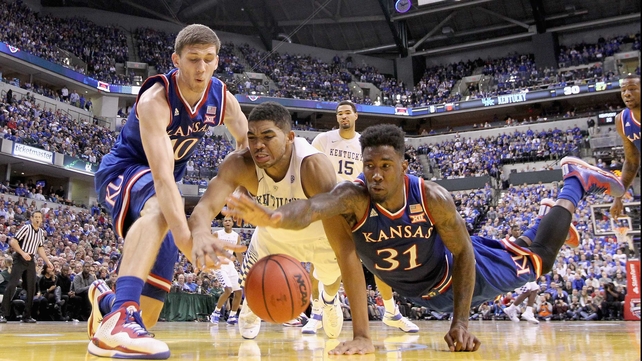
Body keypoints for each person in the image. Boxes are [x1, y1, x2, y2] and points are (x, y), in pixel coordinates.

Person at [224, 124, 625, 354]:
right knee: (521, 251)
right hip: (420, 291)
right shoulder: (354, 197)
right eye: (369, 166)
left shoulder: (432, 198)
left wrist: (461, 322)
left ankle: (575, 181)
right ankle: (548, 220)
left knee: (538, 261)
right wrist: (274, 216)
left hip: (456, 277)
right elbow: (313, 207)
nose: (375, 174)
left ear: (404, 165)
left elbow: (465, 254)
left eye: (385, 166)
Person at [88, 24, 248, 359]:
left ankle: (106, 303)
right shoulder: (155, 100)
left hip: (163, 186)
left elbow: (245, 146)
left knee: (148, 316)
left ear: (217, 60)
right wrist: (190, 241)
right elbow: (162, 179)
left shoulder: (223, 99)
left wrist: (244, 194)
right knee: (161, 208)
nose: (201, 67)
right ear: (176, 59)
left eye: (208, 59)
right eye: (193, 59)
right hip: (125, 171)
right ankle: (118, 317)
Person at [187, 102, 344, 340]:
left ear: (290, 137)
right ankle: (253, 303)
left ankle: (330, 301)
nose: (258, 145)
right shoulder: (241, 163)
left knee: (331, 281)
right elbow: (206, 206)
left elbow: (337, 224)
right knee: (254, 280)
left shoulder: (313, 165)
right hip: (272, 237)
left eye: (268, 137)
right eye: (252, 137)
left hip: (319, 237)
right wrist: (200, 232)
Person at [307, 100, 418, 334]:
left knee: (381, 261)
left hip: (360, 208)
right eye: (339, 113)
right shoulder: (323, 140)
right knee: (320, 261)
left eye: (347, 113)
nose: (343, 116)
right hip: (330, 206)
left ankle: (391, 312)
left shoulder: (364, 145)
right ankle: (317, 311)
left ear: (356, 116)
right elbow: (310, 169)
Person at [0, 211, 52, 323]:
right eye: (36, 217)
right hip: (19, 258)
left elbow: (40, 248)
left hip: (31, 259)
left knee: (31, 287)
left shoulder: (41, 232)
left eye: (39, 217)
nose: (38, 219)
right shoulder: (26, 228)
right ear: (31, 218)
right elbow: (13, 241)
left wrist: (47, 261)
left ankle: (26, 315)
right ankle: (2, 314)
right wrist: (23, 253)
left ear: (42, 219)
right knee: (12, 284)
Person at [611, 74, 640, 220]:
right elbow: (632, 161)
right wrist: (618, 196)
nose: (627, 93)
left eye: (633, 89)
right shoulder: (621, 120)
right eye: (623, 90)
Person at [210, 215, 243, 325]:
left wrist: (243, 265)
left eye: (229, 220)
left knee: (238, 292)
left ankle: (232, 316)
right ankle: (216, 313)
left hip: (230, 266)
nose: (227, 222)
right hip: (219, 265)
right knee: (228, 290)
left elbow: (238, 252)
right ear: (223, 223)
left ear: (232, 223)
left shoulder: (236, 236)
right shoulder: (217, 234)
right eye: (225, 220)